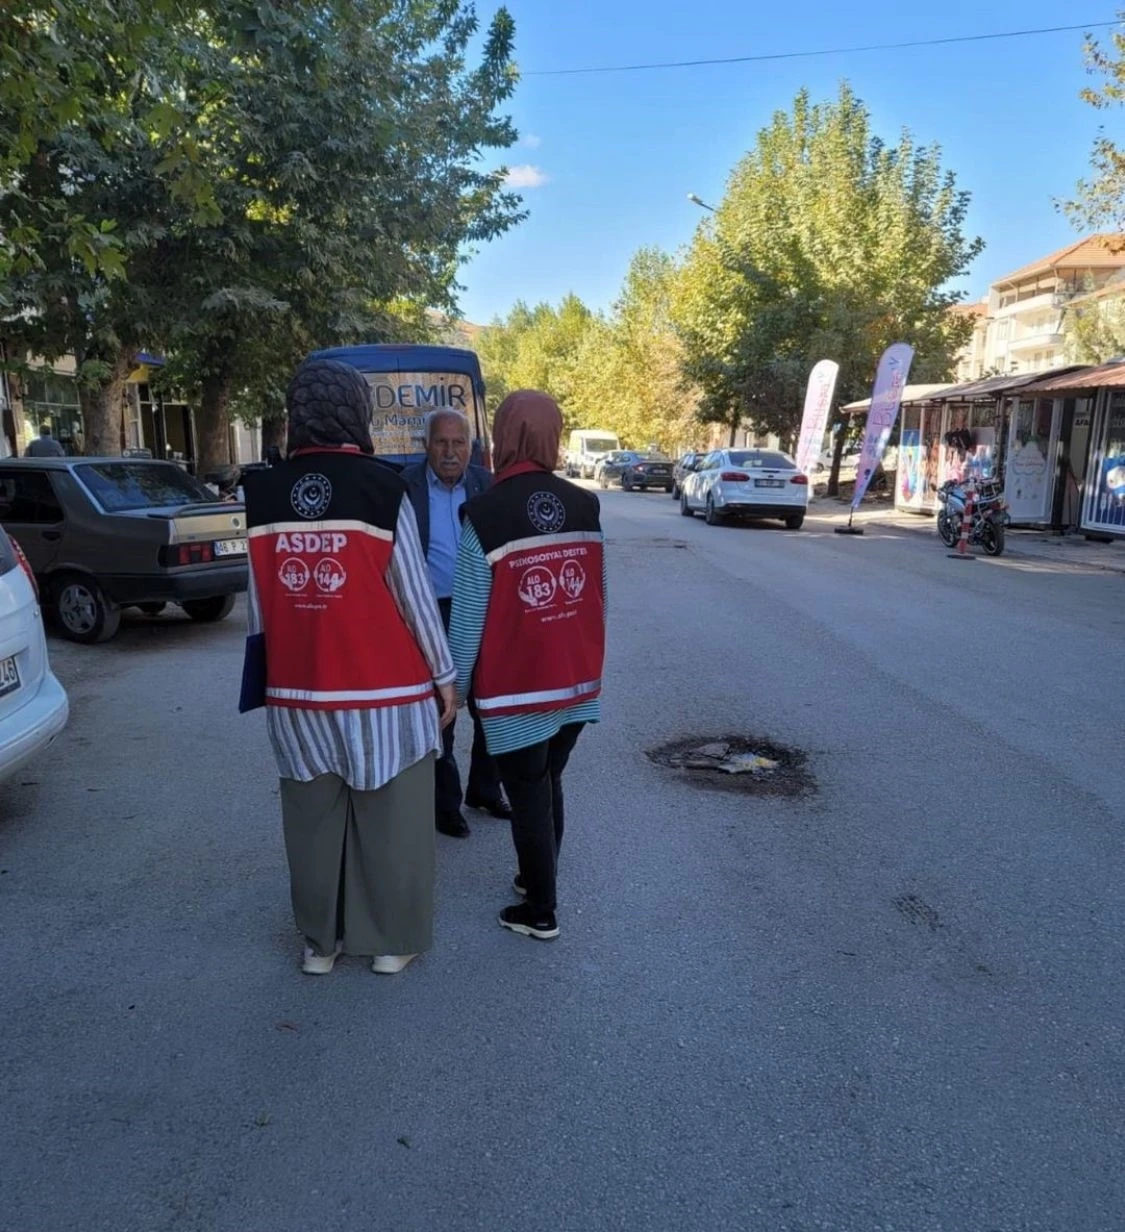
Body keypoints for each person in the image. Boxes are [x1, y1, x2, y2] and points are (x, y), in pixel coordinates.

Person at [240, 358, 456, 977]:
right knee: (393, 825)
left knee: (311, 827)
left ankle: (319, 945)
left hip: (297, 692)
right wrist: (445, 677)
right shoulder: (382, 489)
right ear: (356, 412)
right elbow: (413, 595)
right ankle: (390, 942)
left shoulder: (262, 493)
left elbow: (259, 603)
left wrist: (269, 681)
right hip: (384, 693)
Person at [449, 390, 607, 941]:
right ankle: (535, 878)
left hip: (516, 688)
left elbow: (468, 615)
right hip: (576, 680)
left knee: (529, 793)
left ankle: (540, 910)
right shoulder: (585, 505)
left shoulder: (486, 514)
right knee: (548, 780)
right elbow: (598, 595)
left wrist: (454, 689)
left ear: (502, 437)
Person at [401, 410, 511, 839]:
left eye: (458, 442)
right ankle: (444, 805)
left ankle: (485, 789)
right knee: (442, 710)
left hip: (481, 608)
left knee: (490, 706)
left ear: (471, 447)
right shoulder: (405, 488)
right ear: (426, 445)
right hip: (430, 612)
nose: (450, 452)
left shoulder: (487, 485)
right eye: (441, 442)